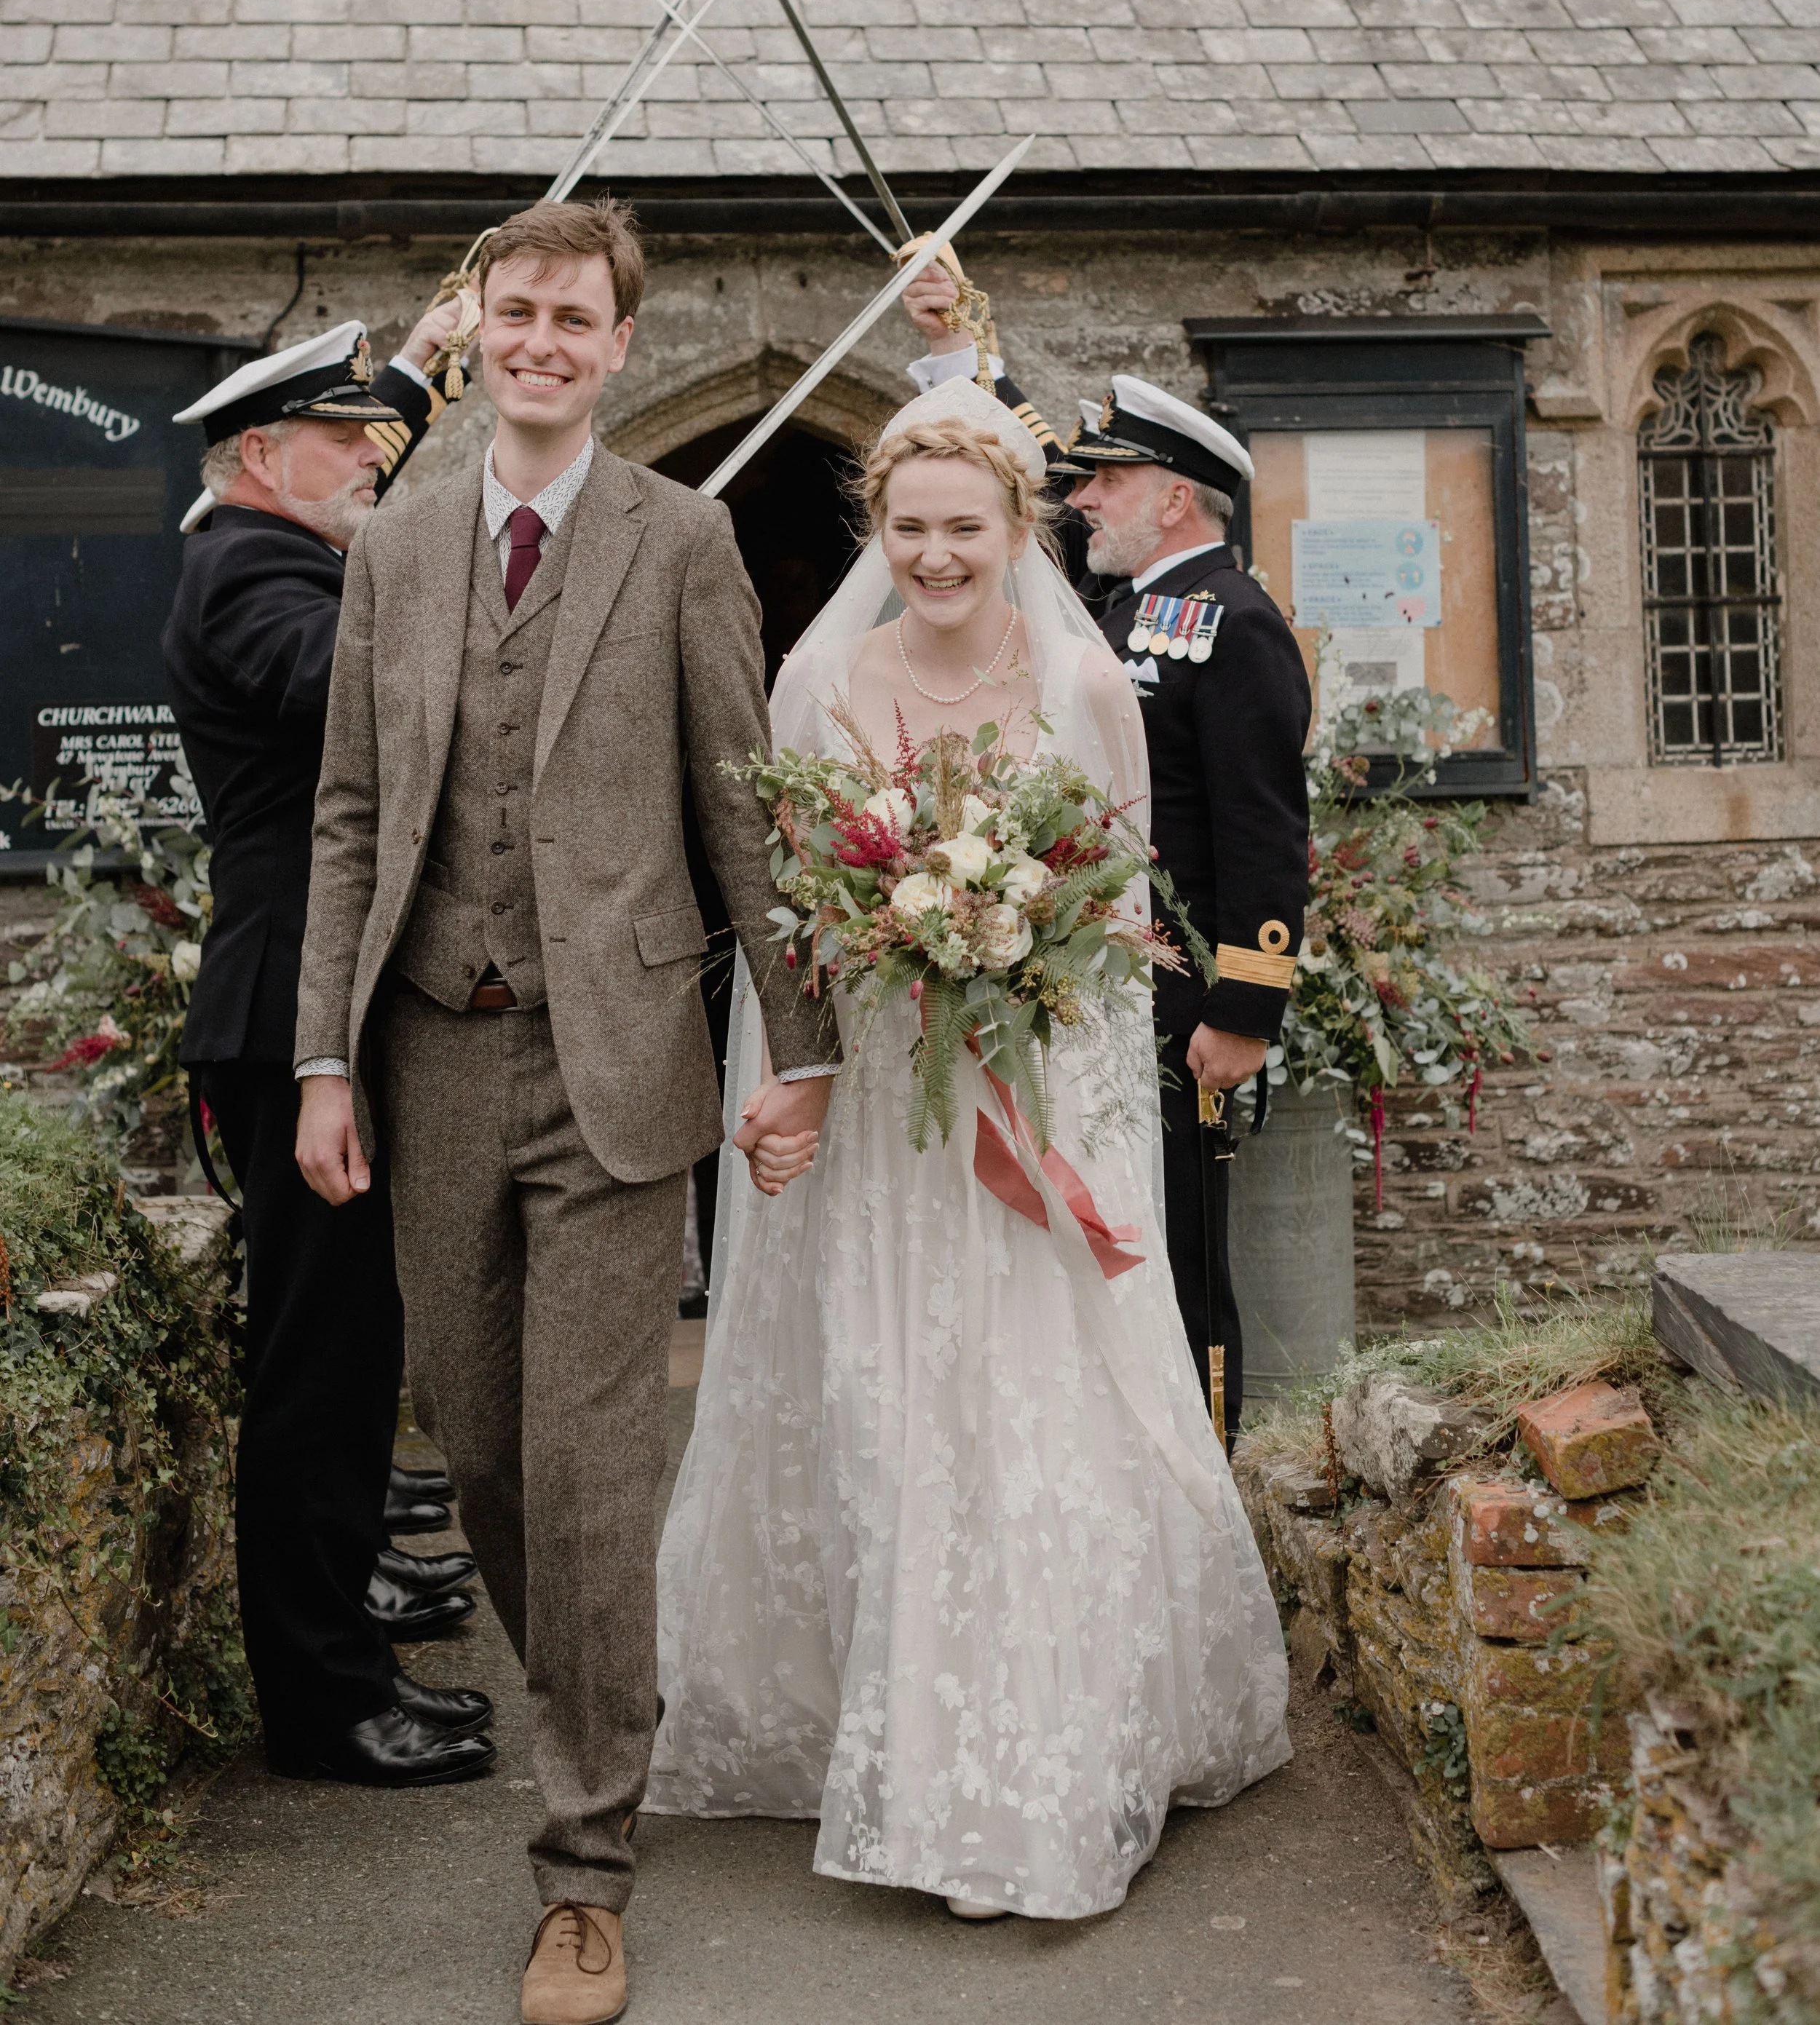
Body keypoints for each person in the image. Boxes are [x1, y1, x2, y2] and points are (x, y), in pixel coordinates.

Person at [290, 197, 839, 2025]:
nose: (540, 339)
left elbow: (743, 809)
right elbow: (352, 816)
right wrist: (318, 1060)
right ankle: (610, 1700)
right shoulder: (395, 544)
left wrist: (803, 1045)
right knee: (488, 1455)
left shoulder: (678, 540)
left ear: (620, 347)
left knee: (594, 1475)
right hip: (430, 1058)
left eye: (573, 318)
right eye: (515, 310)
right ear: (482, 328)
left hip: (619, 1075)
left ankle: (584, 1869)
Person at [648, 379, 1291, 1922]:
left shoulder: (1082, 679)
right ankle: (898, 1734)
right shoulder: (823, 682)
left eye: (963, 528)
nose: (934, 555)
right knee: (887, 1387)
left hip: (1046, 1088)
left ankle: (1047, 1754)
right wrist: (848, 1020)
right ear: (879, 531)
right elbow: (792, 906)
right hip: (885, 1098)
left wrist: (1012, 954)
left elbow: (1128, 898)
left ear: (1017, 531)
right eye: (909, 527)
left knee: (1037, 1383)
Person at [164, 309, 498, 1791]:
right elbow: (361, 692)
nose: (372, 457)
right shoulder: (252, 571)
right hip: (294, 1010)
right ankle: (320, 1701)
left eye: (380, 431)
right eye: (343, 438)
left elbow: (360, 537)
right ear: (256, 452)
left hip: (330, 1006)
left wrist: (424, 376)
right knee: (317, 1369)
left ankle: (344, 1623)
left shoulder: (289, 543)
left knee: (355, 1355)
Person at [1061, 378, 1311, 1439]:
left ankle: (1212, 1475)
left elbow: (1264, 831)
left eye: (1107, 480)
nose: (1082, 502)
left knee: (1182, 1259)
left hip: (1182, 1012)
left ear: (1174, 498)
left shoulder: (1237, 623)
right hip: (1100, 997)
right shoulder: (1126, 609)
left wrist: (1243, 1010)